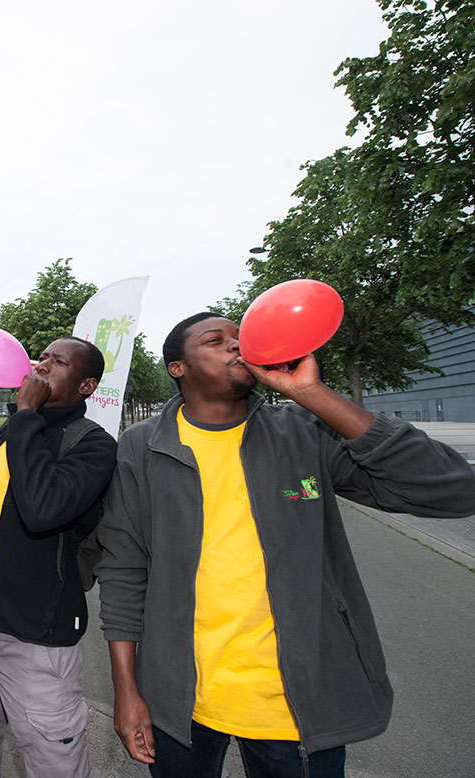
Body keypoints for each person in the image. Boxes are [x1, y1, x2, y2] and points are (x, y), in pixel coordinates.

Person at [96, 313, 475, 778]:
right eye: (216, 341)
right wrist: (126, 690)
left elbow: (455, 489)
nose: (237, 346)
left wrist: (313, 395)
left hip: (293, 704)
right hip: (177, 701)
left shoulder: (303, 430)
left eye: (242, 337)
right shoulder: (139, 448)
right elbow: (123, 570)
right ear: (177, 367)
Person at [0, 336, 118, 778]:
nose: (43, 365)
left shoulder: (93, 446)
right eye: (43, 357)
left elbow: (41, 509)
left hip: (36, 634)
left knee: (52, 756)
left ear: (87, 386)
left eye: (59, 361)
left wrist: (27, 415)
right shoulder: (17, 428)